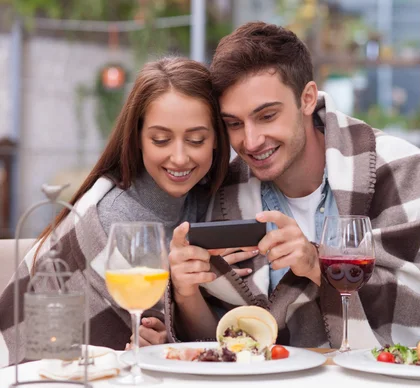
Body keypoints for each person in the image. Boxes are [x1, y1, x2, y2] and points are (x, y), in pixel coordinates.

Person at [167, 22, 420, 351]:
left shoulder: (402, 169)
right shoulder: (224, 191)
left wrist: (318, 265)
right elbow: (221, 342)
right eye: (234, 123)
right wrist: (185, 293)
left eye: (267, 116)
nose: (252, 140)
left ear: (307, 98)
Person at [0, 57, 255, 367]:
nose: (179, 157)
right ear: (137, 139)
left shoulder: (209, 203)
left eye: (196, 139)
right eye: (160, 139)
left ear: (216, 139)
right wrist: (161, 329)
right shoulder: (117, 220)